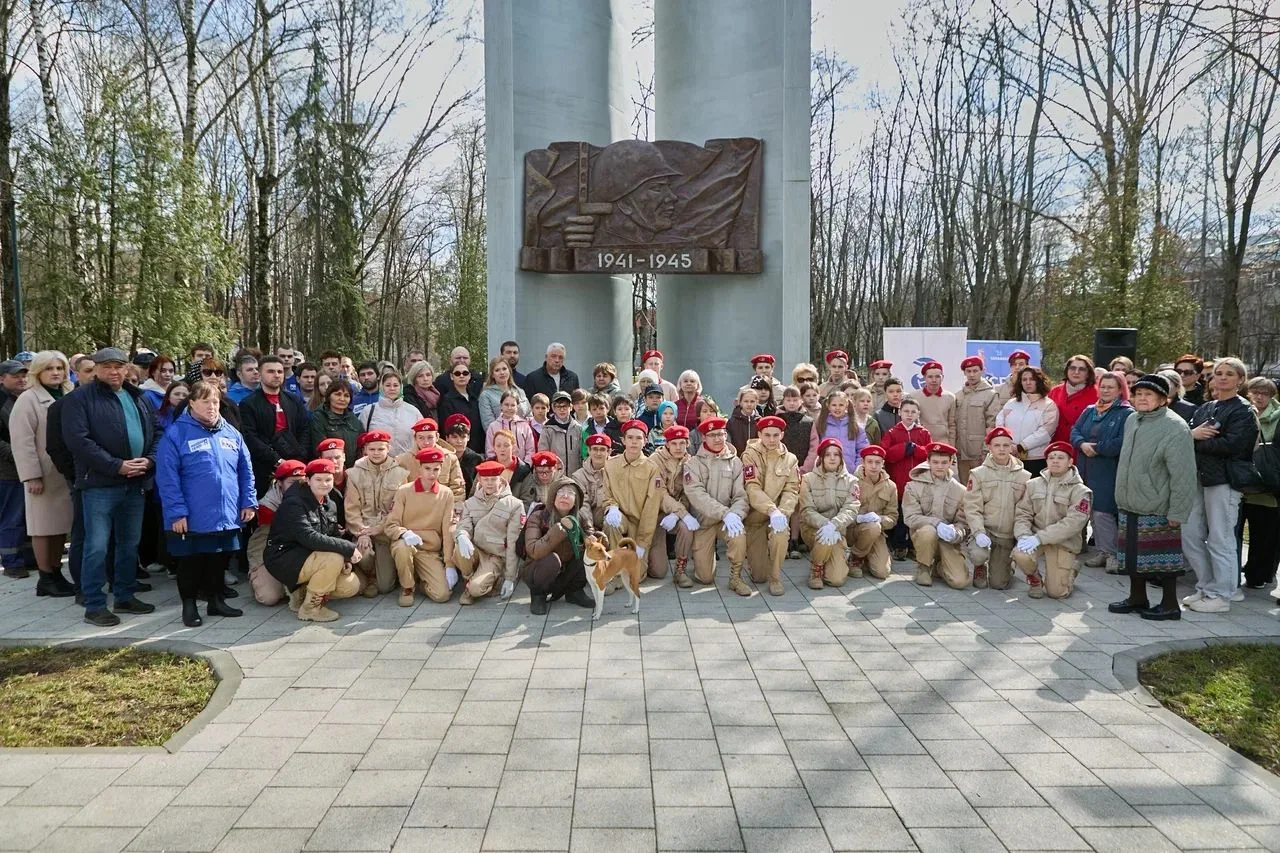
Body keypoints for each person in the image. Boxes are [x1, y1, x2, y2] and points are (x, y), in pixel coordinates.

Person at [61, 347, 159, 626]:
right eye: (107, 366)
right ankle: (94, 604)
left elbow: (158, 431)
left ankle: (125, 595)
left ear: (127, 368)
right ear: (96, 369)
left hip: (136, 481)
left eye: (119, 366)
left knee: (129, 544)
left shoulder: (136, 396)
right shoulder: (79, 399)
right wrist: (116, 465)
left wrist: (150, 460)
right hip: (100, 485)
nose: (114, 371)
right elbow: (78, 441)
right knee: (97, 546)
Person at [155, 381, 256, 626]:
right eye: (205, 402)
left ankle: (216, 601)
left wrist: (248, 501)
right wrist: (177, 512)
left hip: (226, 512)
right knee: (191, 562)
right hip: (191, 515)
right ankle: (189, 606)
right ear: (191, 404)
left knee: (218, 559)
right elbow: (167, 477)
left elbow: (245, 470)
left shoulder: (231, 432)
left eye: (215, 402)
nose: (212, 407)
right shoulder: (176, 434)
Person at [1108, 373, 1198, 619]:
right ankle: (1138, 598)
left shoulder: (1175, 427)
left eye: (1148, 394)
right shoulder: (1133, 420)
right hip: (1131, 501)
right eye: (1138, 394)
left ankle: (1170, 605)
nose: (1142, 398)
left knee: (1163, 559)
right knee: (1133, 555)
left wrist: (1177, 511)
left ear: (1163, 398)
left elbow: (1184, 474)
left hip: (1159, 504)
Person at [1182, 357, 1257, 613]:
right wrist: (1193, 436)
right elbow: (1185, 436)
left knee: (1220, 538)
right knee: (1190, 534)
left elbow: (1232, 445)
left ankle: (1222, 594)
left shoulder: (1244, 410)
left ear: (1240, 380)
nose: (1222, 377)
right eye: (1219, 373)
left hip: (1224, 480)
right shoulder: (1206, 408)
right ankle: (1205, 586)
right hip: (1198, 477)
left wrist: (1197, 439)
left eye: (1229, 373)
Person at [9, 351, 75, 597]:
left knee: (60, 527)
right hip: (43, 476)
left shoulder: (69, 393)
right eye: (49, 368)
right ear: (38, 372)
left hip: (64, 473)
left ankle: (56, 572)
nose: (56, 372)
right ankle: (45, 576)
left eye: (60, 367)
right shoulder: (28, 399)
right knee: (42, 528)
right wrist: (31, 476)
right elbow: (22, 442)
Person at [265, 458, 361, 620]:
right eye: (318, 479)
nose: (324, 484)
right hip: (284, 557)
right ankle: (311, 609)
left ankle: (301, 594)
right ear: (308, 480)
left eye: (328, 479)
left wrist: (345, 558)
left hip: (311, 556)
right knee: (332, 558)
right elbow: (308, 537)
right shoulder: (294, 503)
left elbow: (332, 533)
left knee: (350, 586)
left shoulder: (330, 503)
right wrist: (347, 548)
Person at [1011, 442, 1092, 600]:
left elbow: (1073, 523)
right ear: (1046, 461)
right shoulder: (1032, 484)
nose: (1055, 461)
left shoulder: (1080, 491)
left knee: (1057, 593)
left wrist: (1039, 538)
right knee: (1020, 554)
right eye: (1051, 457)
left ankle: (1071, 569)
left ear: (1070, 462)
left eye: (1061, 457)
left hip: (1063, 542)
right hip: (1035, 538)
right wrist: (1023, 535)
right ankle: (1034, 580)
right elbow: (1023, 513)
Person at [1070, 371, 1132, 570]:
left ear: (1120, 390)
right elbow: (1075, 431)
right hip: (1085, 467)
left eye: (1110, 387)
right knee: (1089, 509)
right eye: (1102, 386)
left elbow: (1122, 442)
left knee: (1103, 512)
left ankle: (1113, 554)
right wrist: (1081, 444)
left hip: (1107, 469)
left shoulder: (1126, 413)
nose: (1105, 390)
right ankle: (1102, 551)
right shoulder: (1090, 410)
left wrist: (1097, 448)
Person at [683, 417, 750, 593]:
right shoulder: (693, 464)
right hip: (704, 523)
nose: (718, 439)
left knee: (738, 533)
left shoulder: (735, 462)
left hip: (726, 521)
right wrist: (725, 513)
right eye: (712, 435)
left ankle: (736, 577)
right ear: (704, 437)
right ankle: (700, 563)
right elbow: (697, 495)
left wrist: (735, 514)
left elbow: (741, 494)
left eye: (721, 434)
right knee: (704, 578)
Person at [383, 446, 456, 605]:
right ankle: (407, 587)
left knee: (442, 595)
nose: (432, 473)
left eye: (436, 469)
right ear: (419, 468)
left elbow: (447, 528)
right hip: (406, 544)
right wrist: (404, 533)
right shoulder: (404, 491)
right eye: (427, 468)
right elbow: (390, 525)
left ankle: (421, 581)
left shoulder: (446, 493)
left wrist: (449, 563)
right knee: (402, 548)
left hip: (429, 550)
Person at [962, 427, 1031, 591]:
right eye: (997, 445)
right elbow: (972, 507)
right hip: (985, 531)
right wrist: (978, 532)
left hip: (1006, 534)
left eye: (1006, 445)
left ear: (1011, 447)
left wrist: (1021, 535)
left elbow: (1025, 510)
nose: (1002, 449)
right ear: (989, 448)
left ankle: (1009, 563)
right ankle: (980, 566)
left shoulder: (1024, 476)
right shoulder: (978, 474)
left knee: (998, 584)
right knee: (979, 554)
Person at [740, 415, 800, 596]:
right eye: (767, 435)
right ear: (759, 434)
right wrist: (771, 510)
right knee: (758, 576)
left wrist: (782, 513)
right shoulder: (750, 454)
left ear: (782, 435)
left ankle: (776, 578)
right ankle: (759, 563)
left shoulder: (790, 459)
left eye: (776, 435)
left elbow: (792, 489)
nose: (771, 440)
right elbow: (752, 487)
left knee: (781, 533)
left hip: (778, 516)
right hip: (756, 518)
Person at [454, 455, 525, 606]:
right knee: (458, 546)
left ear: (501, 479)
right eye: (486, 479)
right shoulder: (470, 503)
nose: (490, 483)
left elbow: (513, 542)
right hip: (476, 551)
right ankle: (469, 579)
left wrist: (510, 578)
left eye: (494, 479)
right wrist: (462, 535)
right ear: (479, 480)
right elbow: (465, 525)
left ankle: (475, 586)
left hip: (495, 556)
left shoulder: (514, 505)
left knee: (476, 590)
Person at [345, 430, 408, 597]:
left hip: (385, 532)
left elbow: (399, 509)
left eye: (381, 449)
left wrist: (380, 528)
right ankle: (369, 578)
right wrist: (362, 533)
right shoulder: (354, 473)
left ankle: (379, 577)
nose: (376, 453)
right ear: (365, 449)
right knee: (364, 554)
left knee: (385, 586)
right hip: (363, 529)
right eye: (372, 449)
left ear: (388, 448)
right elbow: (351, 509)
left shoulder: (401, 474)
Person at [522, 477, 597, 614]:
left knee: (587, 553)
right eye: (560, 492)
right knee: (552, 560)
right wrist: (558, 530)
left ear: (576, 500)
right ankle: (538, 595)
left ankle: (575, 591)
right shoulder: (538, 517)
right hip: (538, 570)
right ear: (552, 497)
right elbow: (533, 550)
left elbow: (591, 536)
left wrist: (597, 540)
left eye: (570, 493)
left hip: (566, 570)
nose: (565, 496)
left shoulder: (580, 517)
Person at [240, 355, 310, 498]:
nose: (276, 375)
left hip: (296, 464)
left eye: (280, 371)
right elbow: (250, 437)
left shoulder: (294, 400)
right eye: (271, 371)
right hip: (264, 469)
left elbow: (305, 429)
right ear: (259, 374)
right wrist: (276, 460)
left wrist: (300, 456)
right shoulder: (248, 404)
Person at [903, 442, 968, 589]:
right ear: (928, 462)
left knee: (960, 582)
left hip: (947, 540)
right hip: (924, 535)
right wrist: (936, 523)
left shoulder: (960, 490)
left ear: (951, 462)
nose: (940, 466)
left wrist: (955, 533)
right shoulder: (913, 486)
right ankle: (924, 566)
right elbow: (910, 517)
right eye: (935, 462)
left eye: (944, 462)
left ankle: (940, 566)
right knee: (928, 531)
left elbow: (963, 523)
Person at [799, 438, 860, 589]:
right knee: (823, 536)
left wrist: (834, 525)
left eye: (836, 454)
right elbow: (807, 510)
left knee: (836, 580)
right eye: (827, 455)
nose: (832, 458)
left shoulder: (852, 481)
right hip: (813, 529)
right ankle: (816, 568)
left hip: (838, 531)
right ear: (821, 458)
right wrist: (825, 524)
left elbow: (851, 509)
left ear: (841, 458)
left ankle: (839, 557)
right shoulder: (808, 479)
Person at [601, 419, 664, 562]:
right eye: (630, 438)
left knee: (638, 575)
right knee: (610, 523)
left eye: (638, 438)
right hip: (621, 519)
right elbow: (606, 494)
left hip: (640, 525)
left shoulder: (652, 468)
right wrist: (612, 507)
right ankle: (615, 563)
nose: (634, 442)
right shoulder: (610, 465)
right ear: (623, 440)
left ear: (645, 440)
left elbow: (651, 508)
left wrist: (642, 542)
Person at [246, 460, 304, 606]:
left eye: (301, 481)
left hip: (297, 548)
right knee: (269, 597)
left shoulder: (312, 495)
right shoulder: (267, 506)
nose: (297, 487)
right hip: (267, 549)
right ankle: (257, 577)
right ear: (279, 483)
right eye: (292, 482)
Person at [1240, 377, 1280, 590]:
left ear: (1272, 395)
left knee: (1263, 535)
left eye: (1264, 393)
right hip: (1241, 485)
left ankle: (1259, 575)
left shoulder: (1278, 417)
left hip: (1266, 487)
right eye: (1255, 392)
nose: (1258, 397)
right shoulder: (1243, 412)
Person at [0, 359, 34, 580]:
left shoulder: (22, 399)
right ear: (2, 379)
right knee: (11, 516)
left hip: (25, 467)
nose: (22, 379)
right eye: (16, 376)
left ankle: (27, 557)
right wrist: (19, 455)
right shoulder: (2, 402)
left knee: (26, 515)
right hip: (8, 471)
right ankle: (11, 561)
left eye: (24, 375)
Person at [649, 425, 696, 584]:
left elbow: (688, 493)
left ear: (687, 444)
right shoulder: (655, 460)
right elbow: (659, 493)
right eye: (674, 443)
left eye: (682, 443)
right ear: (667, 444)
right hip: (655, 514)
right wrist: (681, 512)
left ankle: (680, 569)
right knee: (658, 572)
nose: (678, 447)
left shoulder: (690, 462)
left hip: (675, 512)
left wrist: (677, 514)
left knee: (687, 527)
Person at [995, 366, 1059, 476]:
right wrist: (1007, 445)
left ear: (1039, 381)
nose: (1028, 383)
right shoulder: (1011, 403)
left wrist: (1020, 447)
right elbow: (1000, 423)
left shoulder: (1049, 405)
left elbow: (1044, 433)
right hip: (1010, 459)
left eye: (1032, 379)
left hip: (1036, 460)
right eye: (1024, 380)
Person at [850, 444, 898, 581]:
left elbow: (893, 517)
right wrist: (859, 518)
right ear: (863, 462)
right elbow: (842, 509)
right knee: (871, 528)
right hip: (853, 529)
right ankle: (856, 557)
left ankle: (866, 556)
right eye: (869, 462)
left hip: (876, 531)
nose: (873, 466)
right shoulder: (852, 481)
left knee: (882, 572)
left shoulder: (890, 486)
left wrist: (879, 519)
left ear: (883, 464)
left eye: (877, 462)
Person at [953, 356, 1000, 484]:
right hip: (961, 453)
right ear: (964, 373)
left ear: (982, 371)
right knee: (964, 488)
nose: (972, 375)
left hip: (979, 453)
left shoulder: (990, 394)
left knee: (981, 487)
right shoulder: (958, 395)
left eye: (975, 371)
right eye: (968, 371)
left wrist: (986, 449)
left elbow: (993, 423)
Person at [398, 418, 465, 501]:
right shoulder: (403, 460)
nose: (426, 442)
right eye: (421, 438)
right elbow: (400, 493)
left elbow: (457, 489)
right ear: (415, 438)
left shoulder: (449, 458)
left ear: (437, 437)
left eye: (430, 437)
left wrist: (452, 508)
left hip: (442, 507)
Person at [360, 371, 420, 456]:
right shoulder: (368, 411)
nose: (392, 388)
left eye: (395, 385)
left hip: (407, 464)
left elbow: (422, 437)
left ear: (401, 387)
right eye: (388, 385)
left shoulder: (413, 412)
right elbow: (361, 439)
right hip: (378, 464)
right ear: (382, 387)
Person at [309, 379, 362, 469]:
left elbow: (361, 447)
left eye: (346, 396)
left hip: (353, 471)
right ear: (329, 396)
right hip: (328, 470)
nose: (342, 399)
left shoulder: (354, 420)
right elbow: (319, 448)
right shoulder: (319, 417)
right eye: (337, 394)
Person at [1047, 354, 1099, 445]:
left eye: (1082, 369)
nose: (1076, 372)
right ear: (1067, 370)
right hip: (1056, 447)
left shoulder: (1097, 393)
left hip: (1081, 446)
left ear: (1088, 373)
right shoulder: (1055, 391)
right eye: (1072, 368)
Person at [437, 362, 485, 455]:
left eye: (465, 373)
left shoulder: (474, 398)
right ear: (452, 376)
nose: (461, 376)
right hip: (458, 452)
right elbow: (445, 430)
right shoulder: (446, 401)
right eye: (457, 373)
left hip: (478, 452)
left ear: (470, 376)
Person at [907, 361, 956, 445]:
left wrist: (952, 445)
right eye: (930, 377)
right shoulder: (913, 397)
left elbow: (952, 425)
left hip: (944, 442)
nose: (934, 380)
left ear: (942, 377)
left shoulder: (950, 397)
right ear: (924, 378)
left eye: (937, 376)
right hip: (921, 443)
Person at [478, 356, 530, 432]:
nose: (502, 372)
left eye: (504, 369)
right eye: (497, 370)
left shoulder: (520, 391)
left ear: (509, 371)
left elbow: (529, 415)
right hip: (500, 440)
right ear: (492, 375)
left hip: (523, 437)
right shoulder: (486, 395)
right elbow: (488, 425)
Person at [573, 433, 611, 532]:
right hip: (588, 524)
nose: (598, 453)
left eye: (602, 449)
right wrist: (590, 529)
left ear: (609, 452)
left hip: (611, 520)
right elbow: (583, 505)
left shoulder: (616, 471)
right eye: (595, 449)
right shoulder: (579, 476)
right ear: (589, 451)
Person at [484, 391, 536, 463]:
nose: (509, 408)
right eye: (506, 405)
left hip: (522, 469)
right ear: (501, 405)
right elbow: (490, 451)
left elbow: (530, 449)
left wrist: (526, 465)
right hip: (500, 469)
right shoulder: (493, 426)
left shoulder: (524, 426)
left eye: (513, 405)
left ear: (517, 407)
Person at [540, 391, 582, 475]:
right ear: (553, 408)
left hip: (575, 475)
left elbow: (581, 453)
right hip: (555, 475)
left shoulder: (578, 428)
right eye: (558, 406)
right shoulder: (547, 429)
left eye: (565, 406)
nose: (562, 410)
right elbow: (543, 453)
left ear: (571, 407)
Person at [443, 414, 482, 496]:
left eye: (463, 437)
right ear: (447, 438)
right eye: (455, 437)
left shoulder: (477, 459)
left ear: (468, 437)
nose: (459, 441)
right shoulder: (442, 458)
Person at [778, 386, 813, 470]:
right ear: (783, 401)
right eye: (788, 400)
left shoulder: (809, 422)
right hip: (779, 468)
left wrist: (805, 468)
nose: (792, 403)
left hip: (803, 468)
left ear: (801, 401)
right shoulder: (777, 420)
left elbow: (813, 448)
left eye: (795, 400)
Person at [727, 387, 760, 457]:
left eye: (752, 401)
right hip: (737, 458)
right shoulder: (732, 421)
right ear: (740, 402)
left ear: (757, 402)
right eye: (746, 401)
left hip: (756, 459)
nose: (749, 404)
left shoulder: (760, 421)